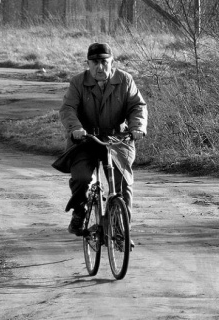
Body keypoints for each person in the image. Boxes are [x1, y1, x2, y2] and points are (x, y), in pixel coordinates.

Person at [53, 42, 148, 241]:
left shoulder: (125, 80)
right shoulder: (78, 82)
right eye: (94, 63)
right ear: (87, 63)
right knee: (82, 179)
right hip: (86, 140)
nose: (99, 67)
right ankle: (80, 211)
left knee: (123, 185)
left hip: (116, 139)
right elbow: (68, 108)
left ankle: (120, 231)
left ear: (112, 62)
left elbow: (137, 106)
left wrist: (137, 127)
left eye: (104, 62)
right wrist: (76, 129)